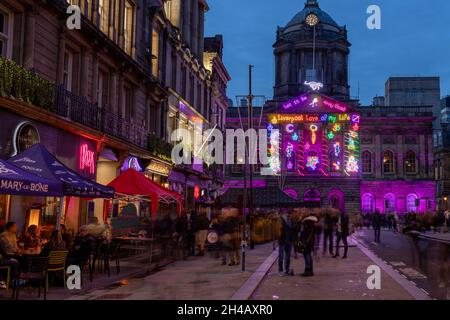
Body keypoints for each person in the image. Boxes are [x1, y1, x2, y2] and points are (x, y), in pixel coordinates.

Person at [300, 212, 318, 277]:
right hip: (311, 242)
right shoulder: (313, 224)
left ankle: (307, 270)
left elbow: (303, 233)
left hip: (306, 242)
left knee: (306, 255)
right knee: (309, 255)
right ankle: (310, 270)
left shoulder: (306, 223)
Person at [278, 210, 294, 276]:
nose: (289, 215)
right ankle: (280, 270)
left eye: (290, 214)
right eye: (288, 214)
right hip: (282, 240)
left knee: (288, 256)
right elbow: (278, 230)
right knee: (281, 256)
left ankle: (287, 270)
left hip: (289, 241)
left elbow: (292, 230)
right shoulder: (281, 220)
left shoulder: (291, 221)